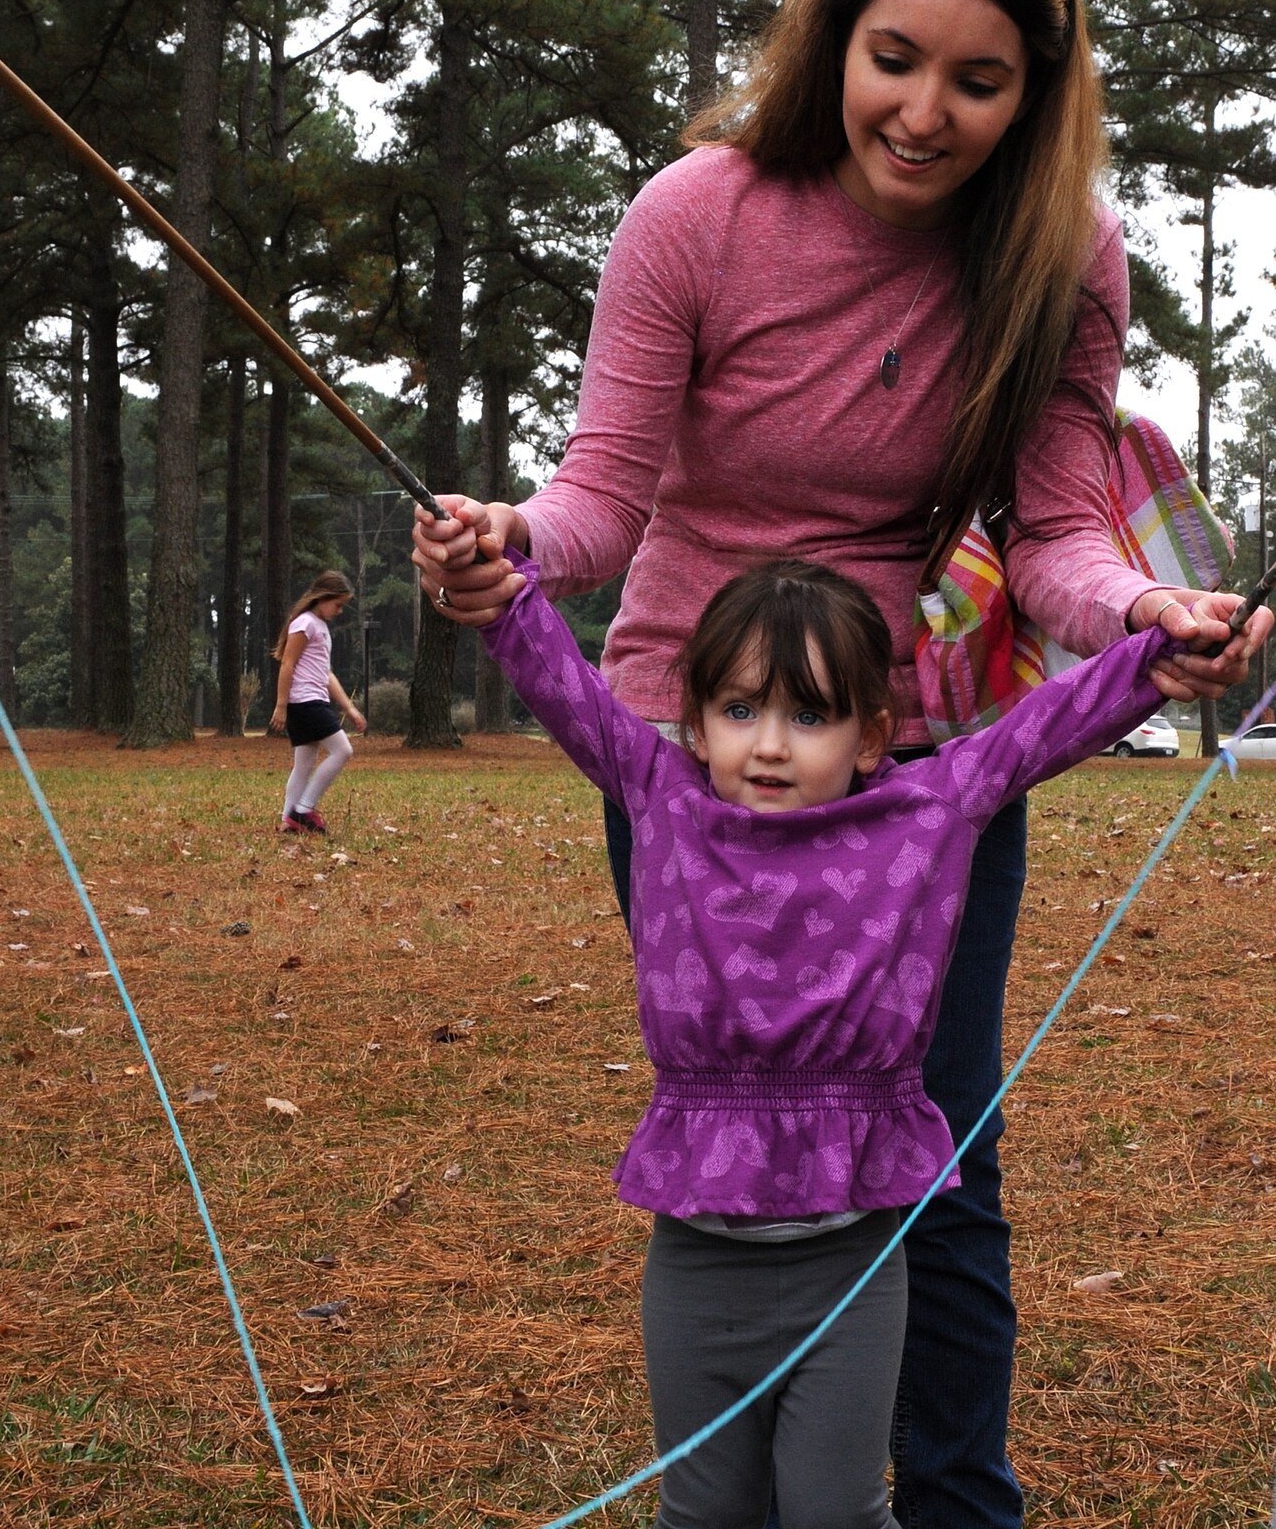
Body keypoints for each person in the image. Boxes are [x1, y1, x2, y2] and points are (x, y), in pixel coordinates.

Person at [411, 0, 1272, 1525]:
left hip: (917, 754)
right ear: (833, 35)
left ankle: (950, 1501)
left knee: (939, 1156)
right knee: (736, 1114)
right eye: (895, 56)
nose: (926, 111)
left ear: (1037, 91)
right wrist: (511, 546)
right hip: (683, 732)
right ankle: (732, 1467)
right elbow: (601, 500)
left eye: (978, 78)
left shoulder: (1059, 256)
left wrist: (1144, 613)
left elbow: (1058, 538)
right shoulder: (697, 213)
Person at [471, 545, 1172, 1529]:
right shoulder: (659, 793)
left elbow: (1038, 731)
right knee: (702, 1511)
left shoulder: (927, 806)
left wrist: (1158, 657)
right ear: (696, 717)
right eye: (738, 708)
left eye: (807, 715)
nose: (766, 742)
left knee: (831, 1510)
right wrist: (499, 583)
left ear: (870, 733)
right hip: (695, 1265)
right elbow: (561, 682)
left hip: (850, 1265)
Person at [269, 569, 365, 833]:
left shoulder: (319, 626)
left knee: (304, 764)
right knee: (343, 750)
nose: (340, 610)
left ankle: (289, 819)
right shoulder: (305, 623)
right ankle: (303, 810)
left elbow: (326, 673)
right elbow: (287, 664)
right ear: (323, 597)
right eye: (338, 604)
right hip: (305, 701)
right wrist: (281, 704)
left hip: (313, 700)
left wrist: (350, 708)